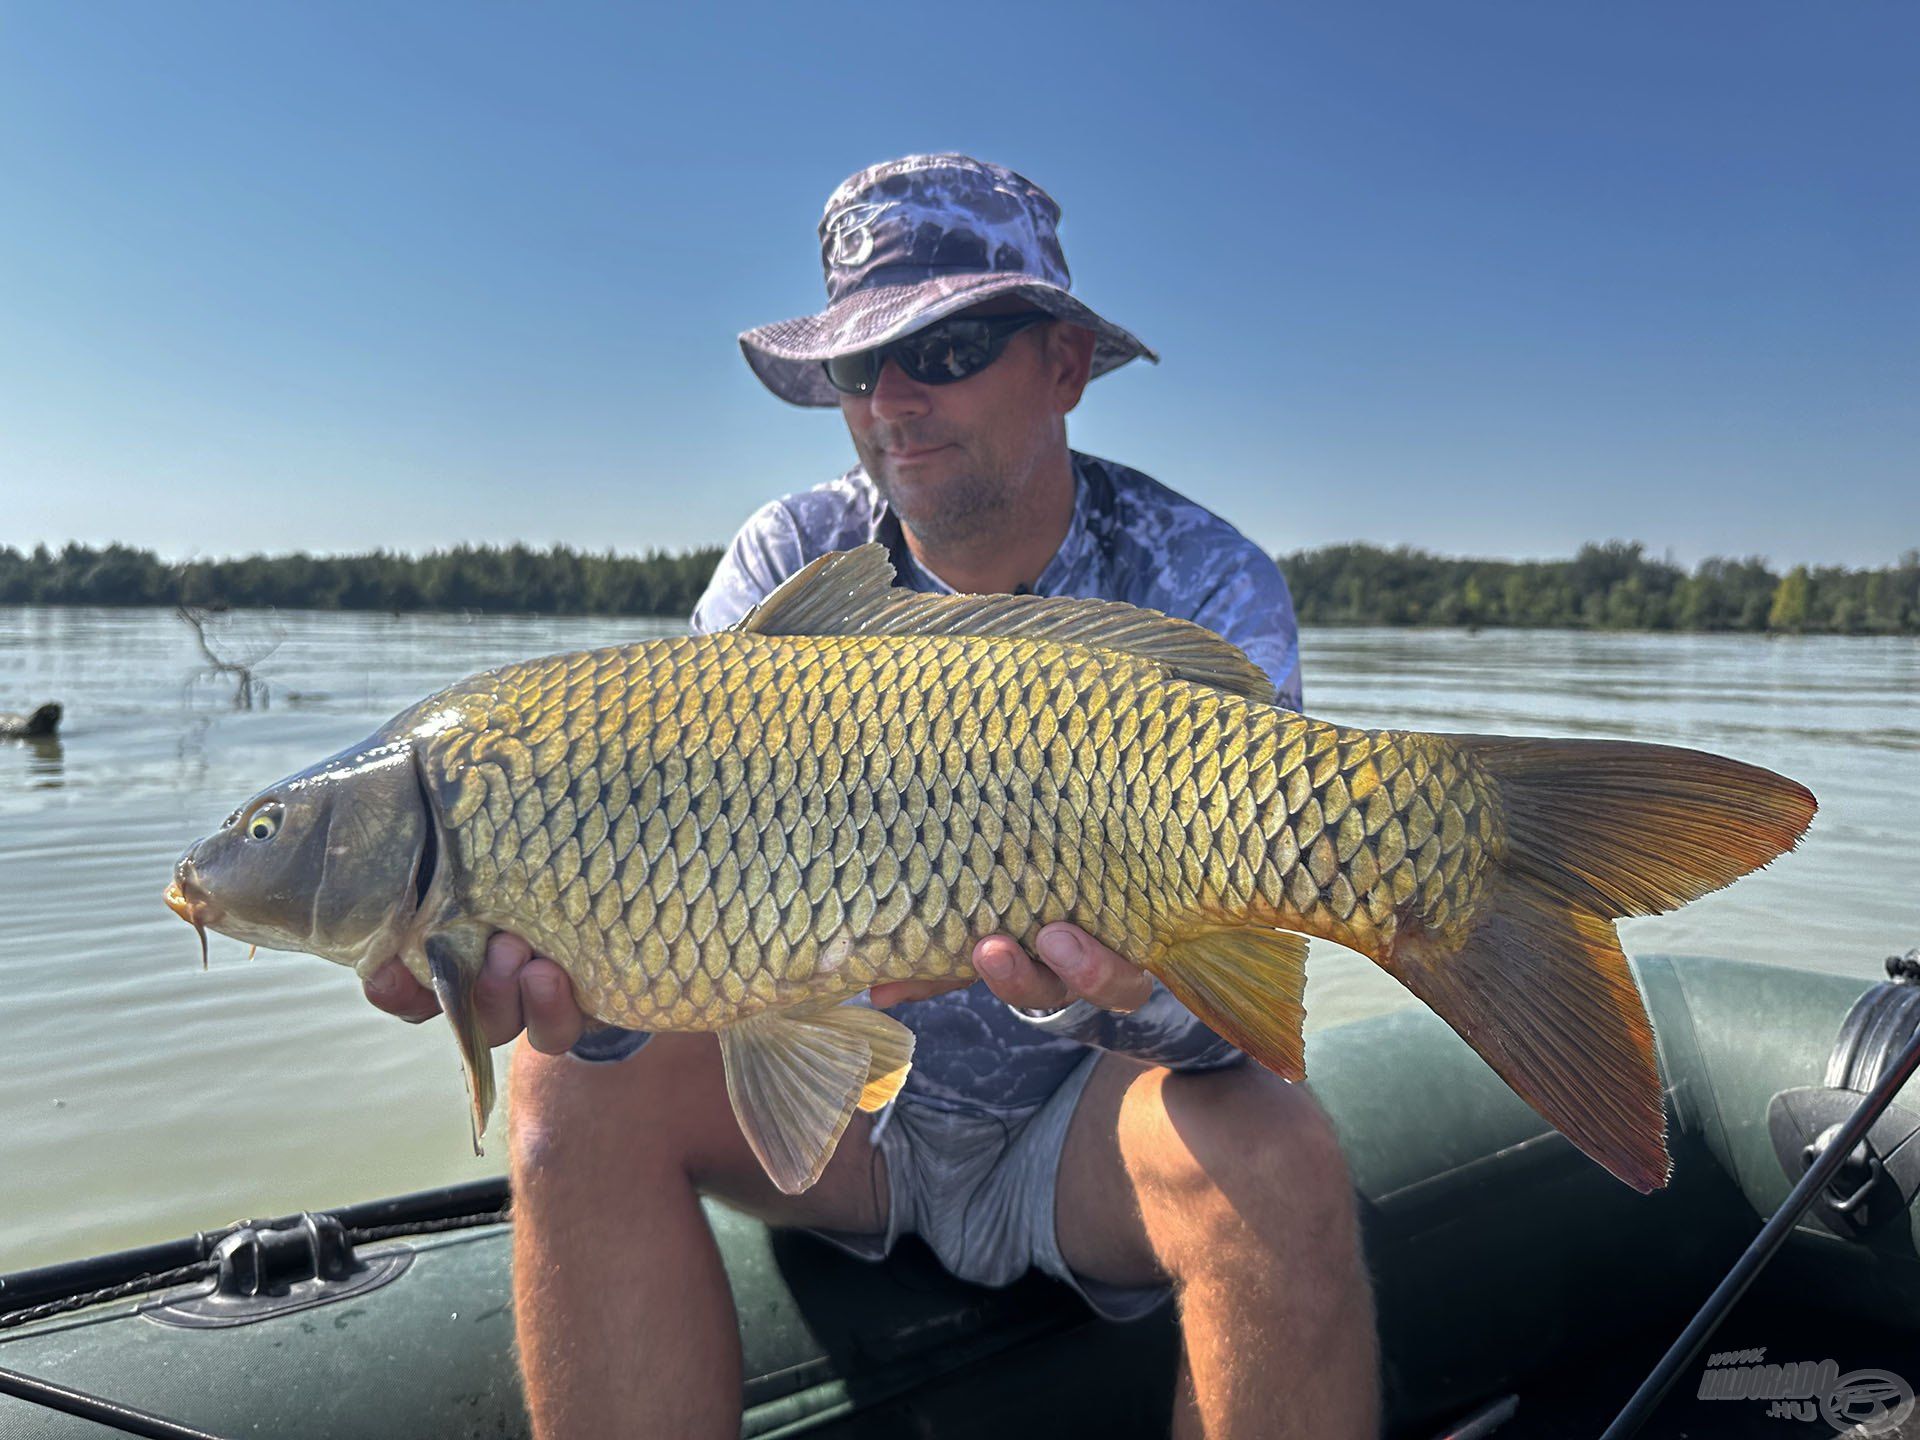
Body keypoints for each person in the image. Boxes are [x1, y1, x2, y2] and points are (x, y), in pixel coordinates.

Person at [365, 154, 1378, 1439]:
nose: (892, 398)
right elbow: (672, 955)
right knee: (566, 1087)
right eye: (855, 364)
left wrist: (1114, 991)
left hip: (1081, 1132)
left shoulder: (1198, 579)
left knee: (1285, 1160)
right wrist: (580, 998)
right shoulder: (789, 564)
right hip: (851, 1131)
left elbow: (1235, 1032)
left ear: (1064, 364)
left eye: (946, 345)